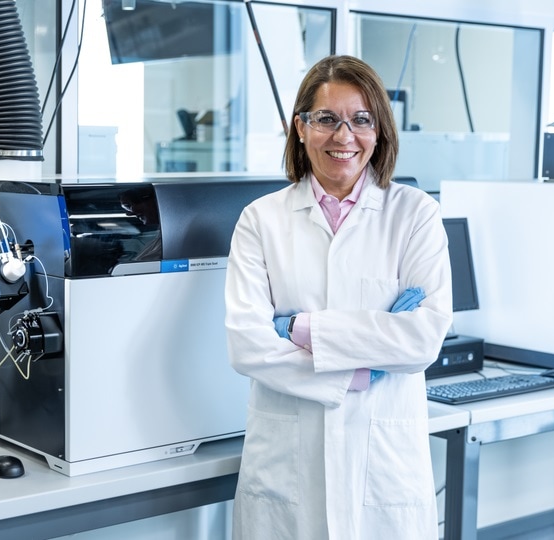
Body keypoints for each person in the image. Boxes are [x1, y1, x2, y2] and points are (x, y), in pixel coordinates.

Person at [224, 55, 453, 539]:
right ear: (301, 127)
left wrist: (300, 329)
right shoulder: (260, 220)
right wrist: (362, 365)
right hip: (286, 466)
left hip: (384, 468)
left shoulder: (415, 215)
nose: (344, 136)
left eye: (361, 120)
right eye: (327, 119)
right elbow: (247, 345)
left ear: (379, 130)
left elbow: (422, 340)